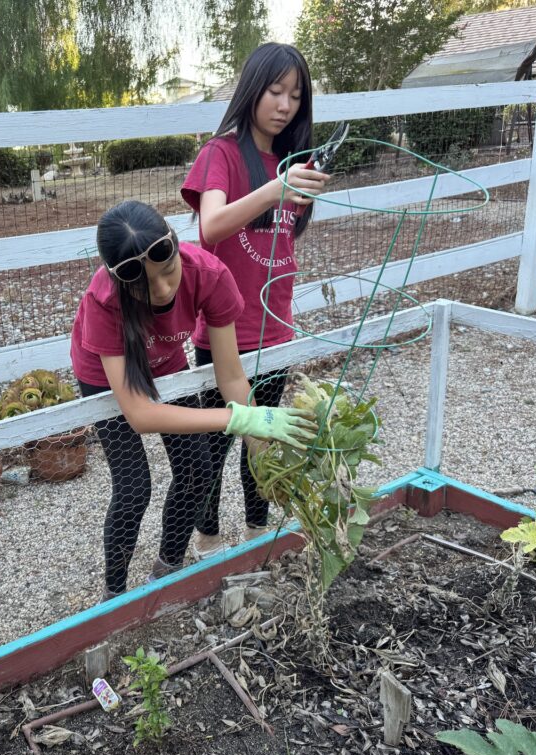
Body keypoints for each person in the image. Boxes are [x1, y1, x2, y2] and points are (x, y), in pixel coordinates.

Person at [70, 200, 313, 599]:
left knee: (198, 468)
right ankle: (114, 597)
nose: (163, 290)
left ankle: (167, 569)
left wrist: (262, 447)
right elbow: (140, 414)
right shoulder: (105, 300)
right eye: (145, 286)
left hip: (165, 360)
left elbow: (230, 376)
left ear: (177, 247)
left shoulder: (209, 275)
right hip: (105, 375)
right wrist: (235, 419)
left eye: (169, 272)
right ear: (121, 282)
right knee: (133, 488)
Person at [180, 42, 328, 558]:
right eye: (275, 91)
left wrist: (290, 183)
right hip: (226, 333)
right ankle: (207, 540)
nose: (285, 105)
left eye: (296, 96)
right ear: (252, 90)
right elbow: (211, 226)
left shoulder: (294, 161)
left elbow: (283, 237)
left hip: (276, 328)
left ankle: (255, 536)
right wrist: (275, 189)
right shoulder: (220, 154)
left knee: (264, 440)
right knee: (216, 445)